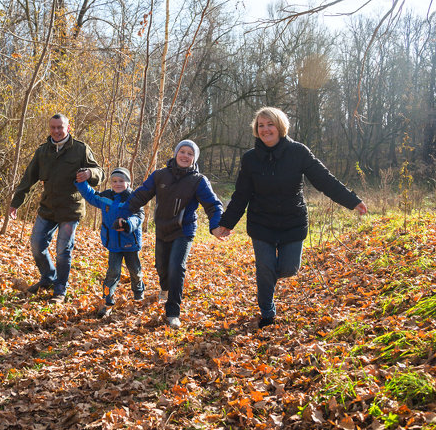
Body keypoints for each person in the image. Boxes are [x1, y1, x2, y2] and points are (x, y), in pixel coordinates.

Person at [217, 107, 367, 328]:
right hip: (261, 223)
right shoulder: (250, 159)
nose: (265, 129)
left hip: (293, 222)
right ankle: (267, 312)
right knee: (265, 267)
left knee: (289, 269)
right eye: (261, 125)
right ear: (256, 130)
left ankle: (265, 279)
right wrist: (227, 224)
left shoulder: (298, 152)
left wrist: (352, 201)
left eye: (270, 124)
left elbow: (324, 180)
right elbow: (241, 195)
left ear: (280, 126)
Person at [118, 140, 225, 329]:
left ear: (194, 158)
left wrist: (216, 225)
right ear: (176, 154)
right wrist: (122, 214)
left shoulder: (198, 180)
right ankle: (165, 288)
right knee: (161, 267)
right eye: (182, 151)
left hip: (184, 231)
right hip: (162, 229)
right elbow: (141, 195)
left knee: (177, 267)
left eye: (190, 153)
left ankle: (173, 312)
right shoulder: (160, 175)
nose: (185, 156)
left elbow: (213, 205)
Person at [9, 113, 104, 303]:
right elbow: (28, 178)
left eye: (60, 127)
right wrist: (15, 203)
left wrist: (88, 173)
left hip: (70, 209)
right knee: (37, 245)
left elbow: (99, 172)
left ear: (68, 128)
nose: (56, 131)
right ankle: (48, 277)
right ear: (49, 129)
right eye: (53, 127)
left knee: (63, 251)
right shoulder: (43, 151)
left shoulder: (80, 149)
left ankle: (60, 290)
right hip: (48, 208)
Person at [75, 167, 145, 318]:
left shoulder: (134, 198)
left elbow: (139, 216)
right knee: (112, 272)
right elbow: (91, 196)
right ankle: (108, 300)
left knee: (135, 271)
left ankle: (139, 294)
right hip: (113, 243)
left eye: (121, 181)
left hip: (130, 243)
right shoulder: (106, 196)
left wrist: (128, 224)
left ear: (128, 182)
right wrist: (81, 183)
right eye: (114, 181)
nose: (117, 184)